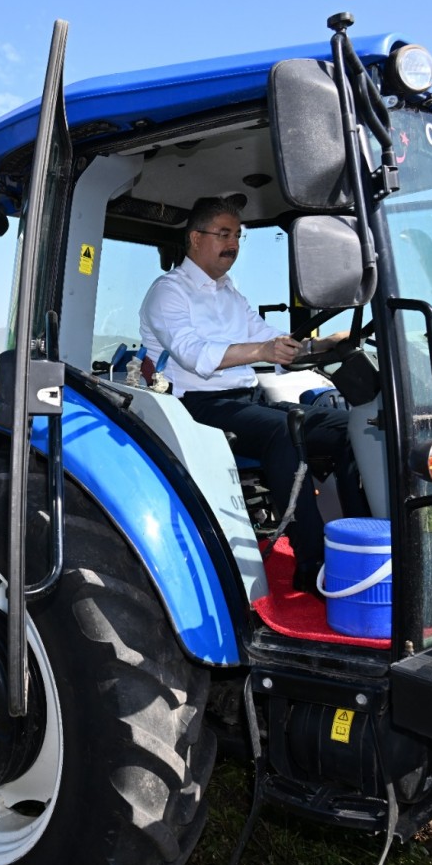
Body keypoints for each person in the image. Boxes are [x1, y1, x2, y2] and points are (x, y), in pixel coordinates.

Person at [138, 196, 367, 592]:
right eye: (224, 234)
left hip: (246, 401)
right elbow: (193, 355)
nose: (233, 244)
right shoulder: (168, 292)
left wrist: (322, 344)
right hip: (199, 408)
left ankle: (362, 544)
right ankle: (312, 564)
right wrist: (262, 352)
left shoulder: (230, 294)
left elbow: (270, 340)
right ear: (195, 238)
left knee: (354, 426)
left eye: (238, 236)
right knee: (283, 431)